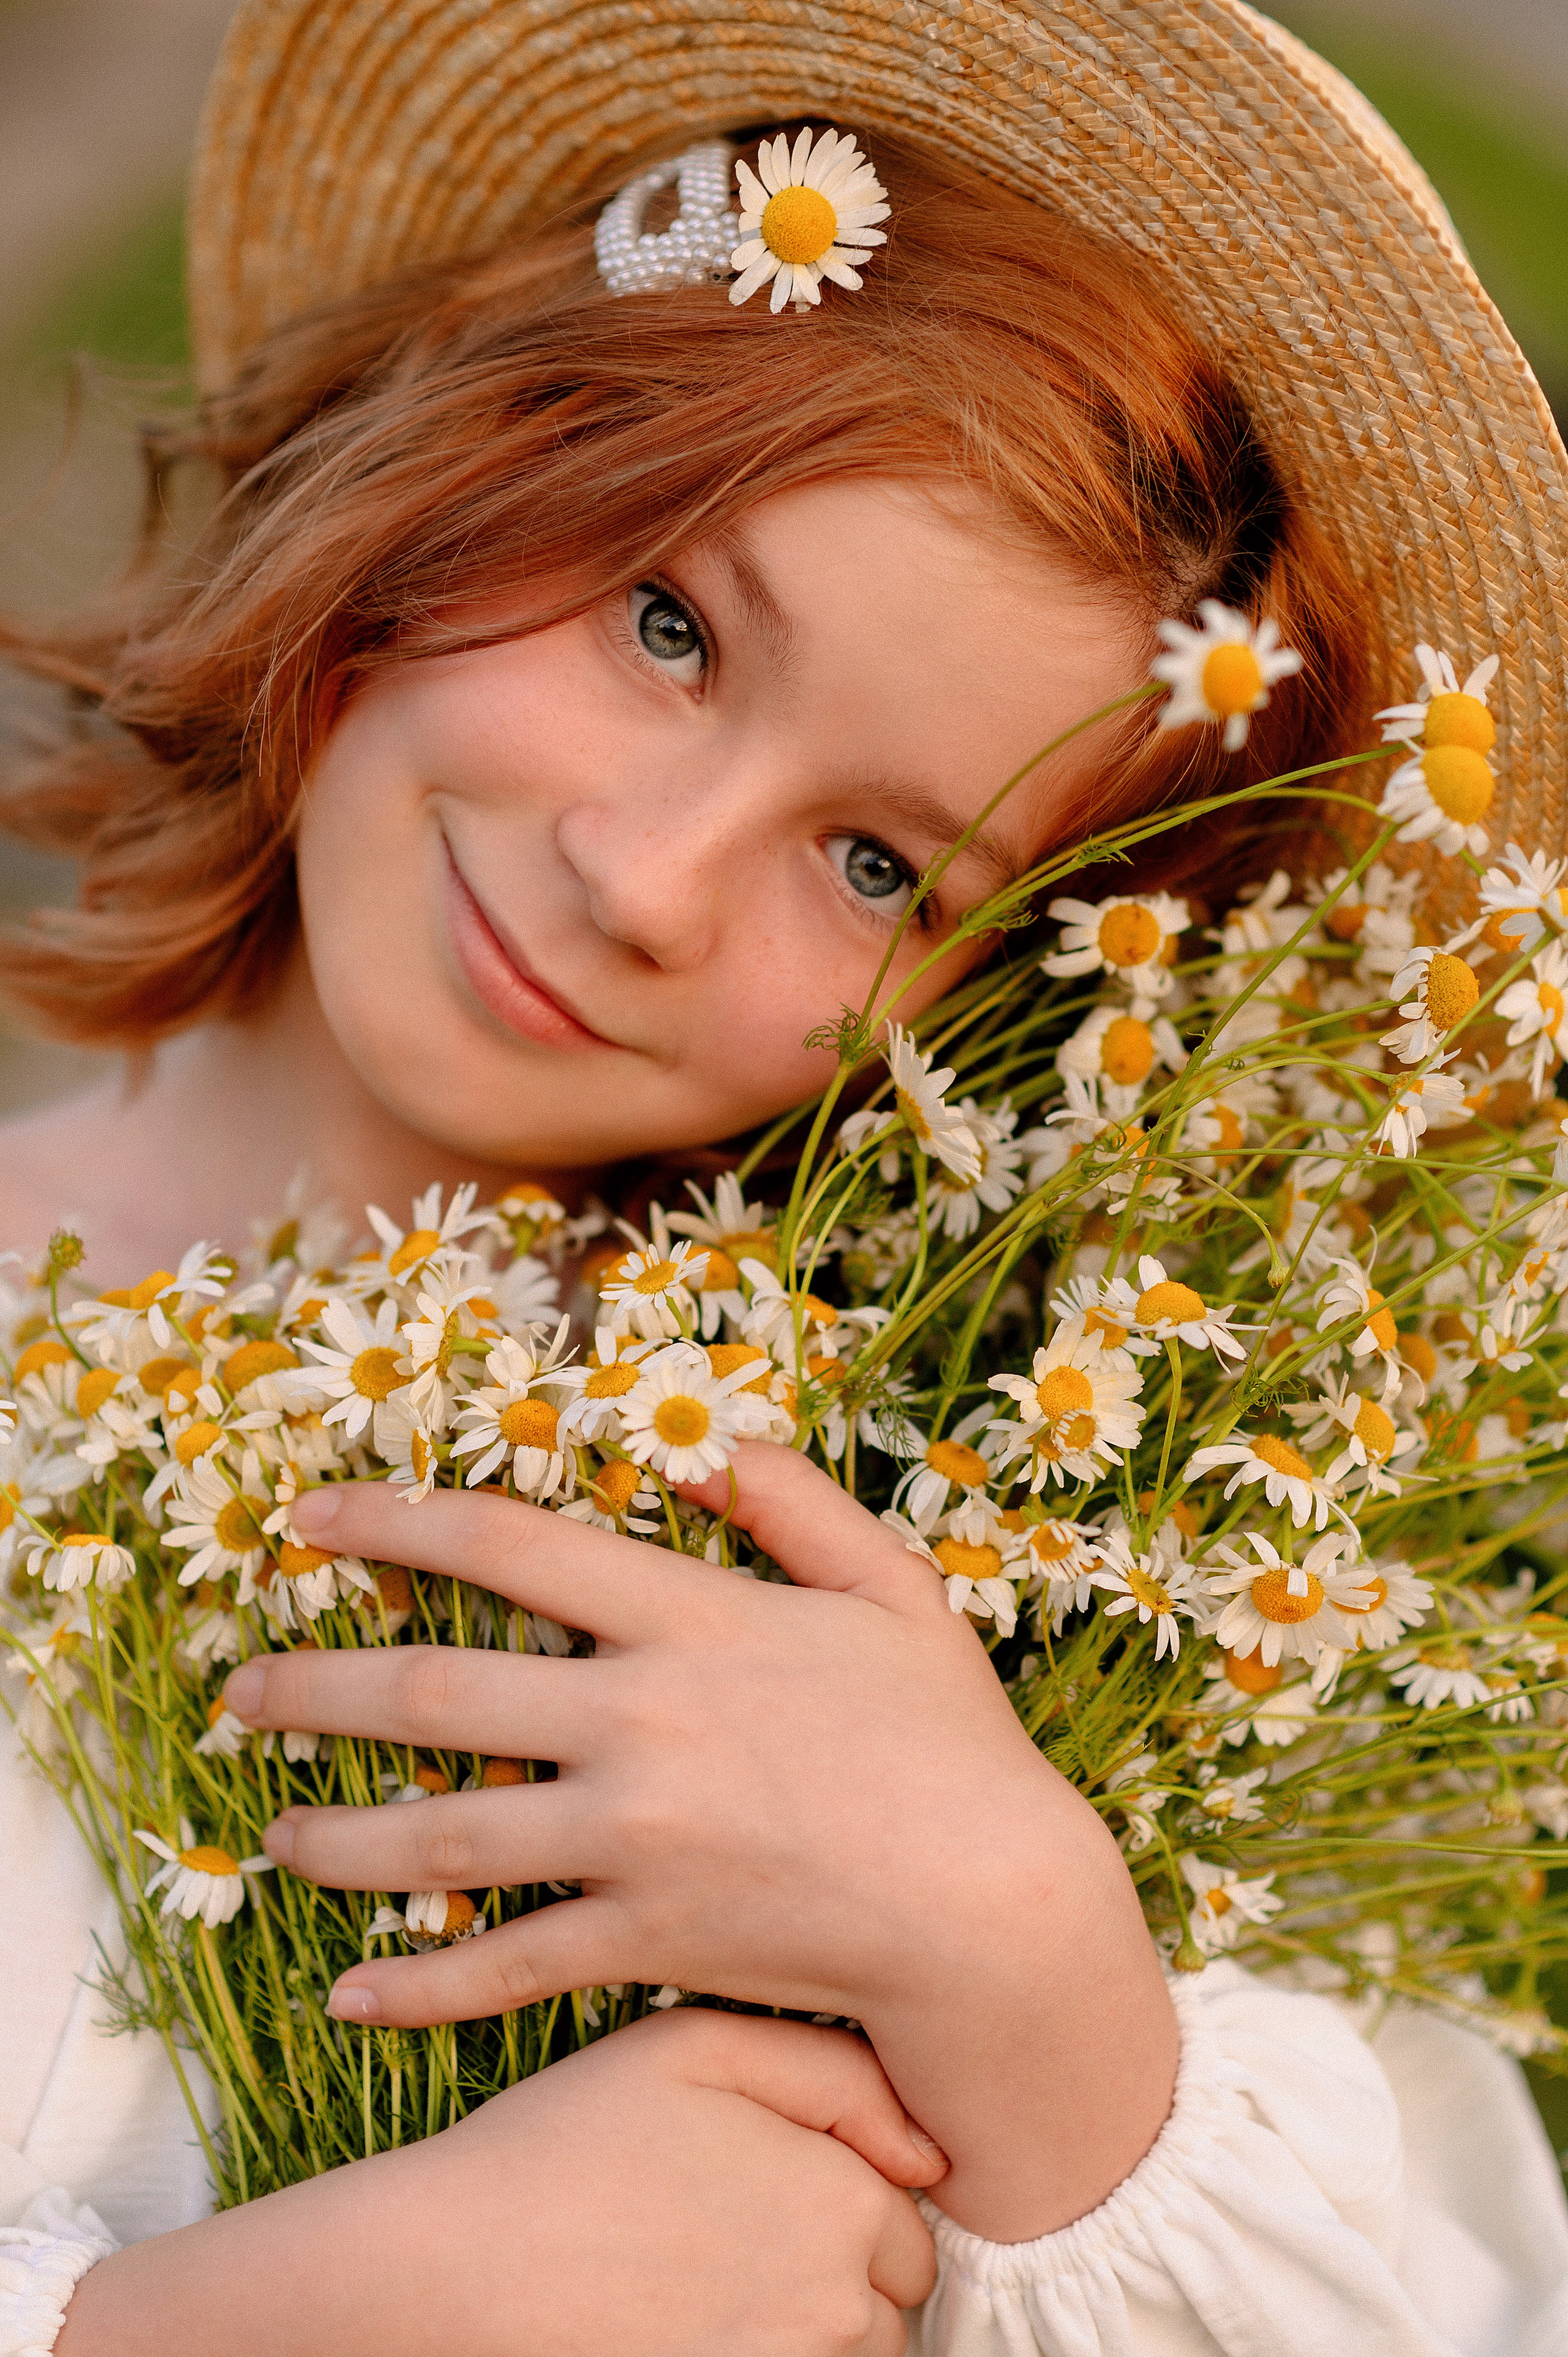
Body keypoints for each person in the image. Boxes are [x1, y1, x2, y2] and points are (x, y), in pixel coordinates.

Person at [2, 1, 1567, 2350]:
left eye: (870, 864)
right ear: (456, 443)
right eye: (666, 624)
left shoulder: (1015, 1545)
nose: (646, 877)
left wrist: (1025, 1966)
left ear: (1019, 1019)